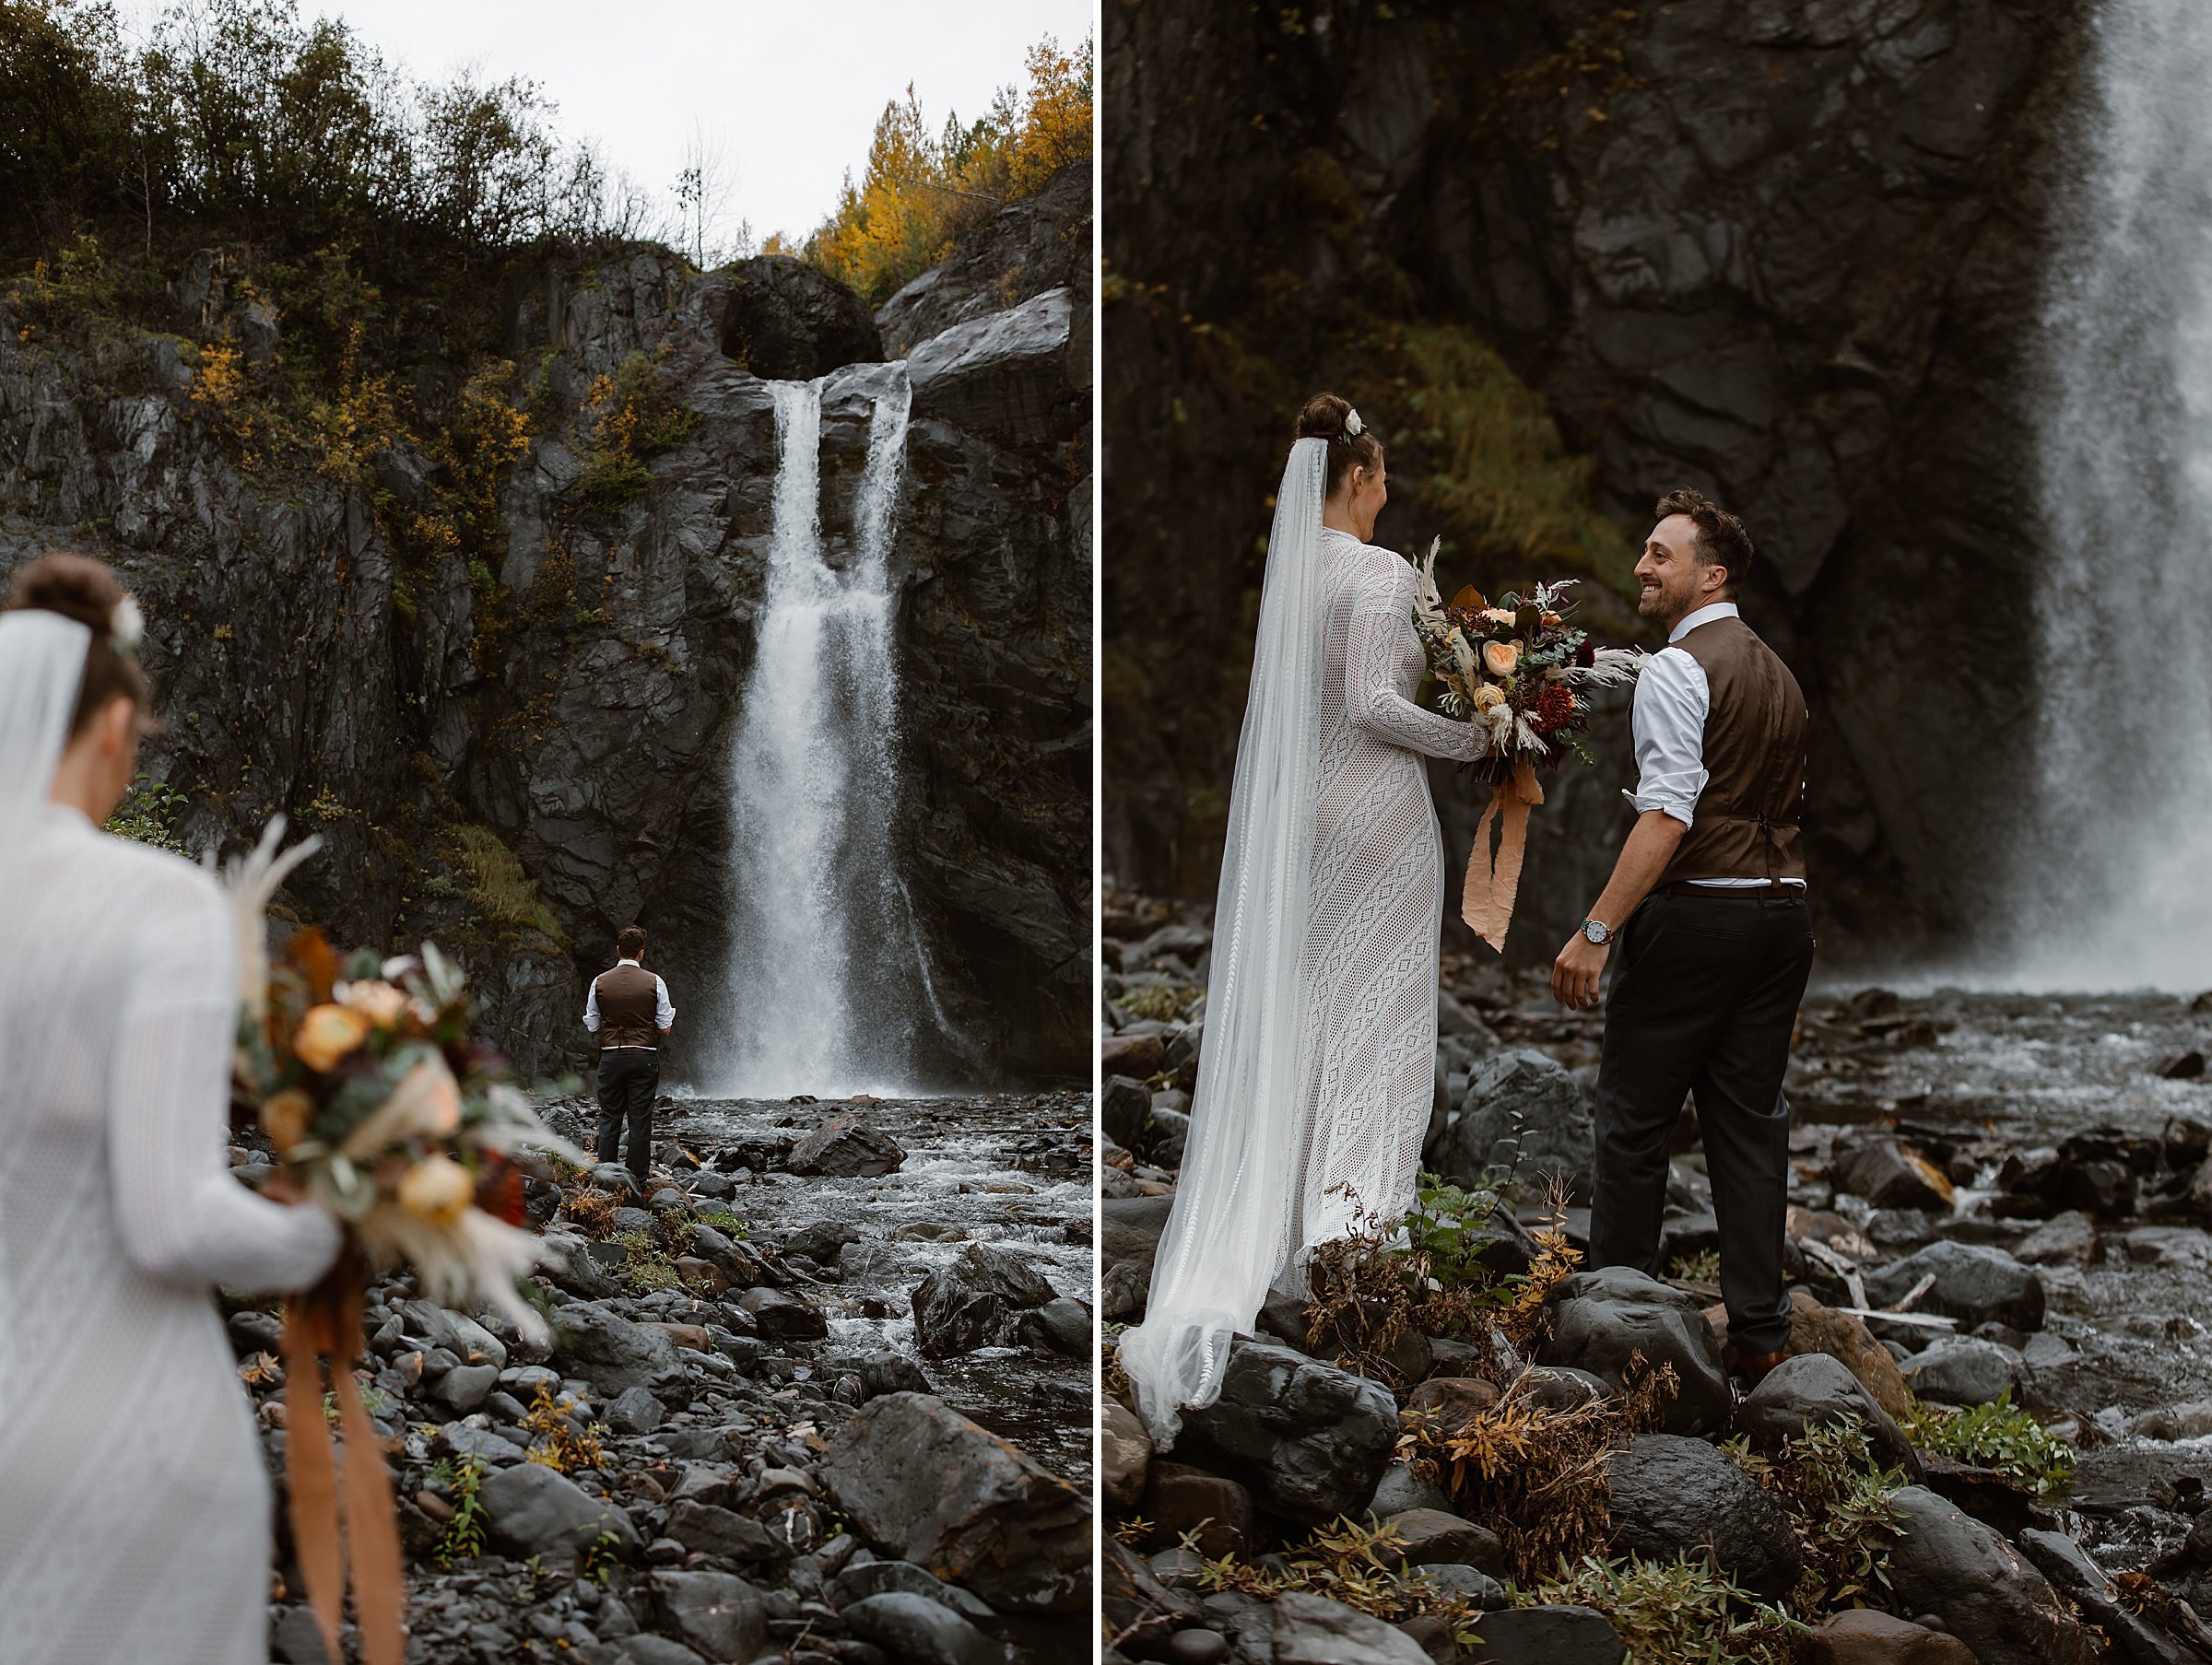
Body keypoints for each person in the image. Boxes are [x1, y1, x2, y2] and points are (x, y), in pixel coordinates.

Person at [1119, 393, 1488, 1442]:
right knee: (1378, 1017)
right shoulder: (1376, 571)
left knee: (1317, 1010)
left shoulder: (1293, 580)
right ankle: (1353, 1233)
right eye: (1384, 477)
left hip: (1307, 827)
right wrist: (1484, 738)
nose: (1390, 492)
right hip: (1376, 817)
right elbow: (1376, 703)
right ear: (1360, 477)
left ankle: (1287, 1228)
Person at [0, 552, 343, 1665]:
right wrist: (336, 1224)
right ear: (110, 728)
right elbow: (172, 1220)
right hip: (123, 1442)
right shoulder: (158, 903)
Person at [1550, 488, 1815, 1387]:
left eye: (1662, 554)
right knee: (1748, 1124)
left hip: (1699, 910)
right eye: (1645, 551)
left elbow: (1668, 815)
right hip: (1785, 913)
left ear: (1713, 572)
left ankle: (1618, 1329)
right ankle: (1760, 1334)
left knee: (1633, 1120)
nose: (1642, 567)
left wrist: (1596, 929)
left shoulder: (1677, 667)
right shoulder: (1777, 672)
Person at [584, 924, 675, 1184]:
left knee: (610, 1115)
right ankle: (637, 1178)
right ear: (641, 953)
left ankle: (605, 1176)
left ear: (617, 950)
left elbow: (592, 1025)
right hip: (643, 1057)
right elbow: (664, 1029)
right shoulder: (655, 982)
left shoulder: (599, 981)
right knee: (640, 1119)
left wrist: (611, 1029)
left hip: (611, 1056)